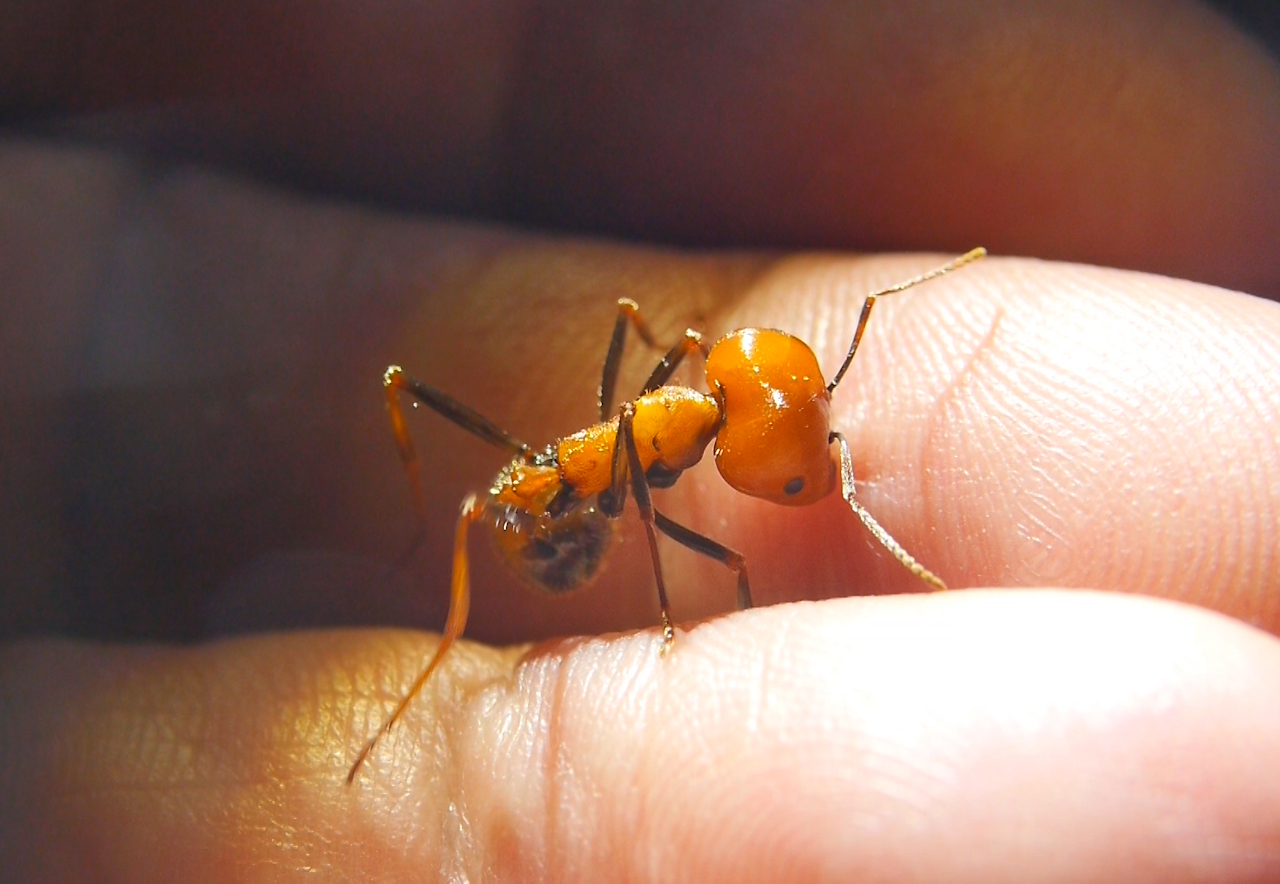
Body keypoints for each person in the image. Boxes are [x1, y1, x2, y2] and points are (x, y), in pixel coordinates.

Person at [2, 2, 1279, 878]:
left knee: (690, 549)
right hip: (539, 519)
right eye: (797, 435)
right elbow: (673, 523)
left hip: (603, 473)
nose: (800, 437)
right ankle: (430, 621)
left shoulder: (693, 397)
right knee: (536, 505)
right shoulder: (656, 442)